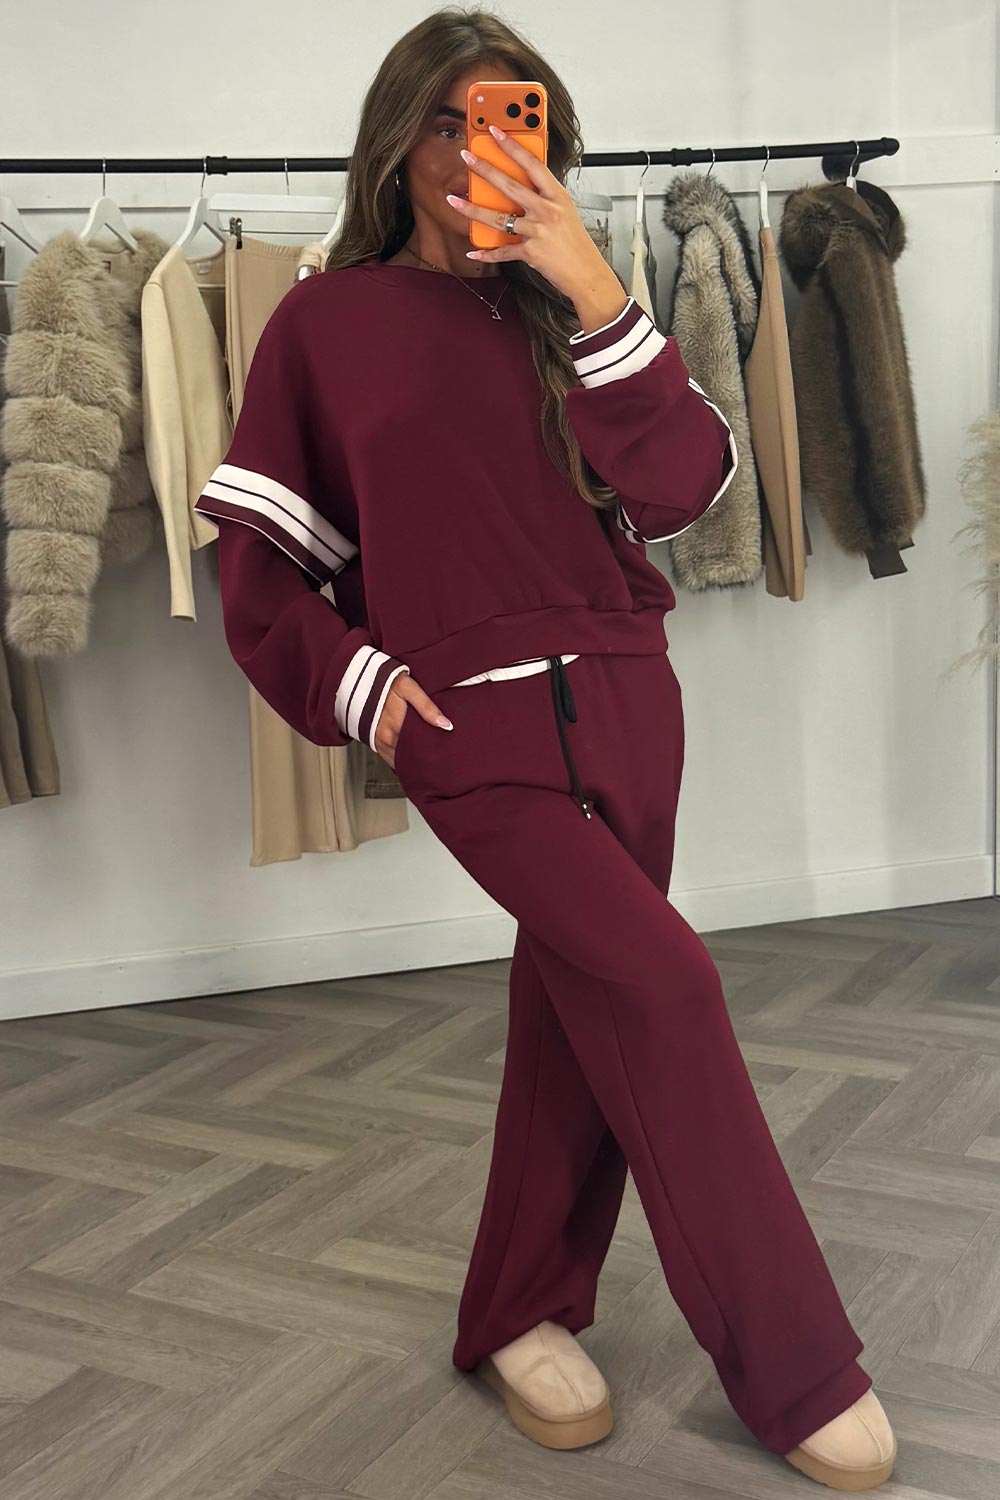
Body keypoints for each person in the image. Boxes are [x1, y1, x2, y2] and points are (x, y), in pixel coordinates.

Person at [193, 7, 896, 1491]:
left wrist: (588, 284)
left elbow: (689, 490)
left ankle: (518, 1312)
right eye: (447, 123)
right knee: (667, 985)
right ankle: (798, 1368)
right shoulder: (325, 322)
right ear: (396, 144)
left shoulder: (576, 305)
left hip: (630, 696)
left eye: (507, 121)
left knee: (577, 1008)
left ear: (548, 144)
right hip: (471, 724)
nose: (475, 152)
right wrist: (362, 685)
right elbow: (258, 569)